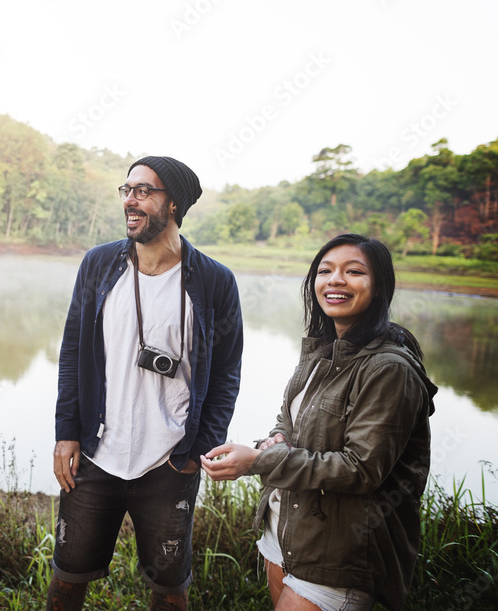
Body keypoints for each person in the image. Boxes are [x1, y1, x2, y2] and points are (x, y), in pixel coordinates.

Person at [47, 156, 244, 610]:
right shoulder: (99, 264)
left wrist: (200, 448)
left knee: (170, 589)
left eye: (143, 191)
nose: (130, 201)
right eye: (126, 190)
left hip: (170, 461)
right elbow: (72, 351)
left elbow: (227, 374)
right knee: (67, 577)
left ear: (172, 202)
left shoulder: (215, 281)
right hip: (96, 454)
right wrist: (66, 432)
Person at [202, 234, 437, 611]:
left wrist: (257, 461)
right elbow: (289, 419)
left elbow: (361, 469)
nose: (335, 280)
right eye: (325, 270)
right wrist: (275, 438)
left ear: (379, 288)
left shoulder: (389, 369)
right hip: (287, 531)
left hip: (339, 552)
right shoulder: (322, 351)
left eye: (354, 271)